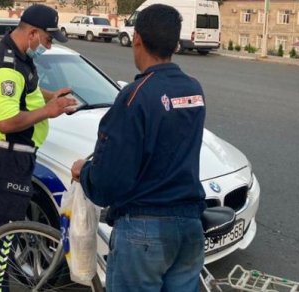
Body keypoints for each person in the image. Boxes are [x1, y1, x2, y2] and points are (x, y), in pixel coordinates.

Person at [71, 4, 207, 292]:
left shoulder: (134, 97)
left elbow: (109, 181)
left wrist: (84, 173)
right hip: (189, 226)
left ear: (136, 40)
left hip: (145, 232)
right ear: (176, 42)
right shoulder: (193, 89)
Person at [0, 4, 75, 292]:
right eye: (49, 40)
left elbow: (29, 94)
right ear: (33, 33)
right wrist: (49, 111)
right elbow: (6, 121)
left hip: (14, 157)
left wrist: (53, 97)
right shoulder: (7, 68)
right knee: (6, 233)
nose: (49, 47)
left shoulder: (21, 56)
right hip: (8, 158)